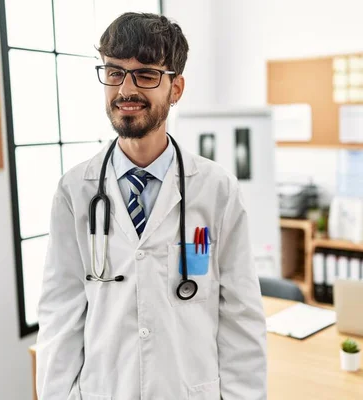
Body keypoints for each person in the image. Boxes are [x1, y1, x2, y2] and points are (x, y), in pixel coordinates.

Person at [35, 12, 267, 400]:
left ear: (176, 88)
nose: (126, 89)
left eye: (145, 74)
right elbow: (61, 313)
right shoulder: (75, 191)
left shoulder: (216, 190)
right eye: (114, 72)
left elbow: (241, 318)